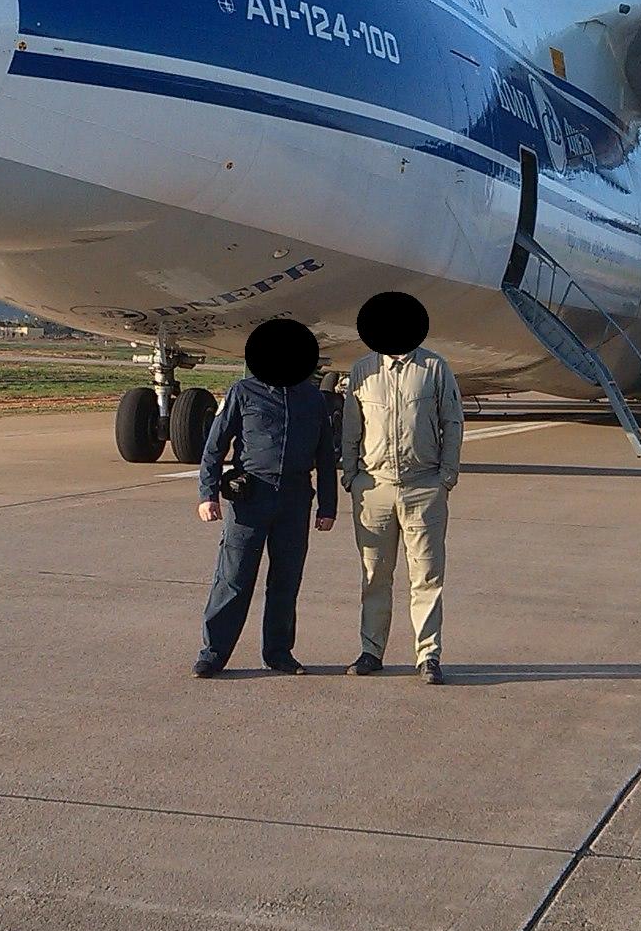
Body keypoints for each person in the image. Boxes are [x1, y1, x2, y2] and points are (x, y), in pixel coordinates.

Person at [194, 319, 337, 677]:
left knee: (286, 580)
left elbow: (325, 456)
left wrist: (328, 507)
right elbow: (215, 447)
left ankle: (278, 652)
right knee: (234, 577)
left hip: (295, 499)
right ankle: (213, 653)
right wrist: (207, 494)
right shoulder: (244, 392)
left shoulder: (313, 399)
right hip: (250, 497)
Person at [342, 291, 463, 684]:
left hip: (423, 486)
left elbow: (452, 422)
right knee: (374, 574)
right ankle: (370, 650)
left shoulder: (434, 368)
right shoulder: (362, 371)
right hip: (374, 488)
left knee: (426, 576)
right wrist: (350, 476)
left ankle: (428, 656)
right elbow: (349, 428)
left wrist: (446, 475)